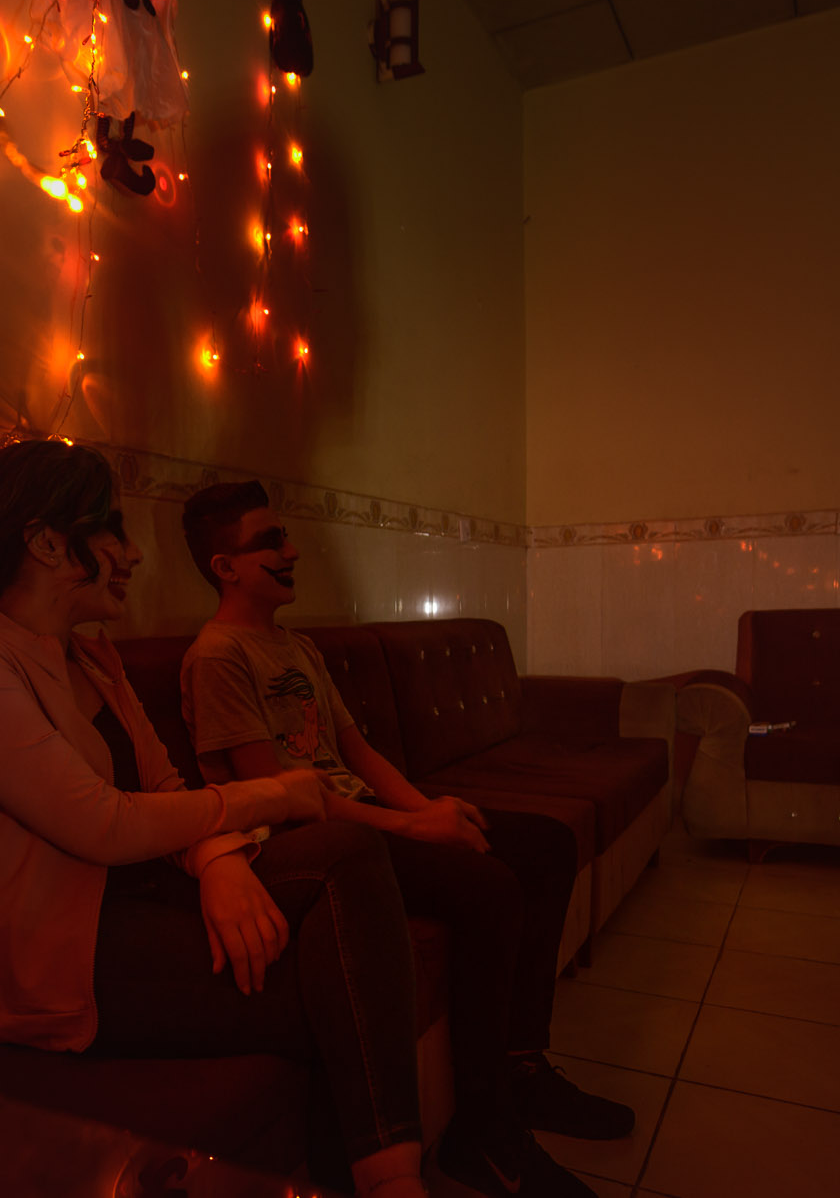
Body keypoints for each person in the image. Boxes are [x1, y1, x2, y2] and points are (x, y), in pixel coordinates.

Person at [0, 441, 431, 1198]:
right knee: (335, 983)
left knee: (344, 851)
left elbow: (163, 787)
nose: (135, 552)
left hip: (135, 902)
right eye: (113, 529)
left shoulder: (92, 657)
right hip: (40, 959)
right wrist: (275, 795)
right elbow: (101, 824)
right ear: (46, 542)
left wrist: (219, 863)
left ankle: (394, 1185)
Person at [179, 481, 635, 1198]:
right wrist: (412, 827)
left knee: (544, 844)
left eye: (286, 535)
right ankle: (483, 1131)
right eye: (269, 540)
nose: (291, 550)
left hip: (358, 813)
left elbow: (358, 752)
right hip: (308, 840)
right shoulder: (218, 657)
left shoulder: (296, 646)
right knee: (487, 888)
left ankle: (522, 1066)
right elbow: (275, 794)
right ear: (224, 566)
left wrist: (433, 810)